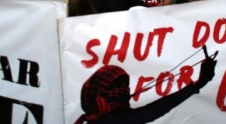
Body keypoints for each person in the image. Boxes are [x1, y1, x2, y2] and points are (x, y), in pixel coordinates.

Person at [74, 49, 217, 124]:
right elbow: (158, 108)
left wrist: (197, 84)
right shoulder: (112, 120)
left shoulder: (105, 117)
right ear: (100, 92)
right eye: (118, 86)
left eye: (125, 85)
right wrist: (197, 84)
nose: (124, 90)